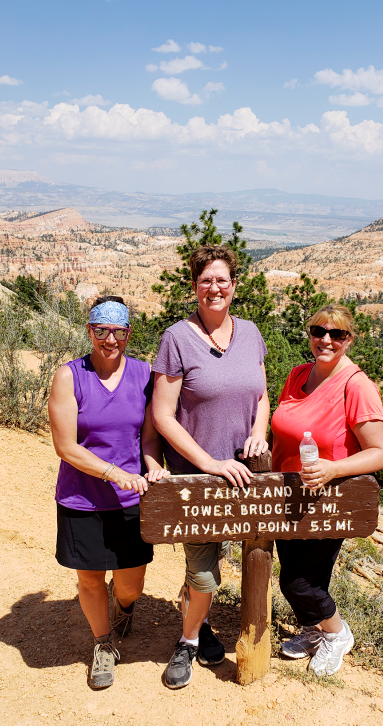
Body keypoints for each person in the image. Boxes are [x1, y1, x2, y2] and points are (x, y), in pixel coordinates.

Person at [152, 244, 270, 689]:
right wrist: (209, 463)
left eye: (222, 280)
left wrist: (260, 431)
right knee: (204, 571)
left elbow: (261, 395)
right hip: (198, 477)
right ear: (194, 287)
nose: (214, 288)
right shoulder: (176, 339)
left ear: (234, 286)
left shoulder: (251, 333)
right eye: (206, 281)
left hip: (245, 475)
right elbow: (163, 415)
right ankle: (187, 640)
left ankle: (196, 620)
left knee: (238, 558)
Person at [48, 296, 168, 690]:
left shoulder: (143, 375)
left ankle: (124, 606)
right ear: (89, 331)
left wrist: (152, 465)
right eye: (101, 330)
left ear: (129, 333)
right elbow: (66, 447)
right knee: (90, 579)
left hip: (132, 499)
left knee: (131, 583)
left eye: (118, 331)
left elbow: (148, 437)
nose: (109, 339)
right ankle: (103, 644)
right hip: (82, 497)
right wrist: (114, 473)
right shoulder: (70, 376)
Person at [270, 303, 383, 677]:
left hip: (328, 500)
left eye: (336, 334)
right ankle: (312, 631)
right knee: (304, 574)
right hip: (287, 493)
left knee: (297, 580)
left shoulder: (357, 386)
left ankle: (337, 634)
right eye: (318, 331)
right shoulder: (298, 374)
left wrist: (333, 468)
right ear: (309, 333)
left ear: (349, 340)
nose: (326, 340)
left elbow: (380, 452)